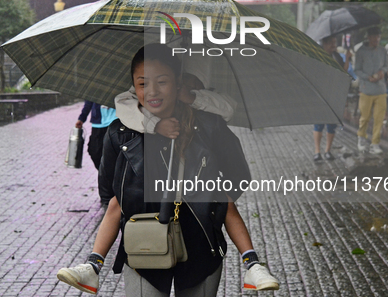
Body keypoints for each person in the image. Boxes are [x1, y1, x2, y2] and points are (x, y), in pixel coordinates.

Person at [57, 45, 279, 295]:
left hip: (200, 245)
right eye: (143, 84)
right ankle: (92, 265)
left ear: (178, 83)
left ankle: (252, 262)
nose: (152, 91)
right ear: (133, 86)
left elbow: (238, 175)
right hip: (144, 248)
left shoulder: (209, 125)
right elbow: (109, 192)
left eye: (162, 82)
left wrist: (207, 202)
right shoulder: (120, 132)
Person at [313, 35, 352, 161]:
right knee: (318, 124)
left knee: (331, 125)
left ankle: (327, 150)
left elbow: (343, 72)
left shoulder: (337, 57)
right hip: (320, 95)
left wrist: (347, 59)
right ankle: (317, 151)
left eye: (335, 42)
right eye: (331, 43)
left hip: (334, 95)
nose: (333, 45)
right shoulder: (317, 56)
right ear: (324, 44)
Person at [354, 27, 388, 154]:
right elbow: (357, 69)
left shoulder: (383, 51)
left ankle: (375, 143)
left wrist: (382, 72)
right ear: (368, 37)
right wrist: (367, 77)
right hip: (366, 89)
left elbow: (386, 66)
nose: (376, 39)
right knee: (365, 117)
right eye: (374, 37)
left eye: (378, 37)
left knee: (379, 118)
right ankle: (361, 138)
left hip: (380, 89)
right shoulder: (361, 52)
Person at [75, 102, 117, 171]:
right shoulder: (95, 91)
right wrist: (81, 118)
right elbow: (89, 102)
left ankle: (114, 175)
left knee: (113, 152)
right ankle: (105, 173)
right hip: (98, 123)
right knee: (94, 151)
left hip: (114, 121)